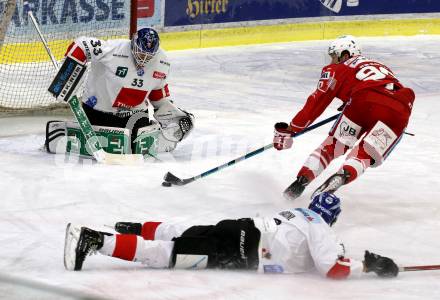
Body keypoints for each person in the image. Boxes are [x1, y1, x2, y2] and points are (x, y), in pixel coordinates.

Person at [64, 192, 399, 279]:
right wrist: (367, 265)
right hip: (241, 251)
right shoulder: (321, 228)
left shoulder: (299, 214)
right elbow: (332, 269)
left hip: (240, 226)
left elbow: (312, 258)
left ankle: (135, 226)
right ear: (333, 218)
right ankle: (96, 240)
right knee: (166, 254)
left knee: (183, 231)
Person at [273, 35, 415, 200]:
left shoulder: (338, 68)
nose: (332, 61)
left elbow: (317, 101)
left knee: (334, 145)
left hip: (362, 101)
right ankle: (343, 175)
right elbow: (380, 88)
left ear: (345, 55)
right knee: (366, 154)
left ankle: (302, 180)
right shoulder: (379, 65)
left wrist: (292, 129)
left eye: (334, 56)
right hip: (400, 108)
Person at [46, 27, 194, 154]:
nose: (144, 59)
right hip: (97, 111)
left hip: (134, 115)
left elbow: (156, 92)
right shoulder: (114, 50)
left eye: (149, 56)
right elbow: (82, 44)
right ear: (133, 44)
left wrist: (168, 110)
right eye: (141, 53)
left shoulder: (162, 62)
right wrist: (66, 75)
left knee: (136, 149)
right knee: (104, 145)